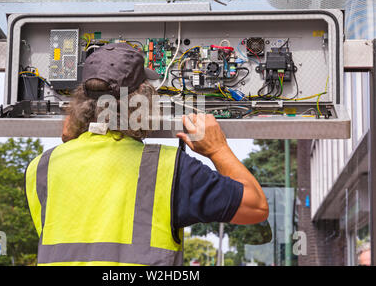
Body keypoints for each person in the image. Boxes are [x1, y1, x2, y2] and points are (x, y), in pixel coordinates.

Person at [25, 43, 269, 266]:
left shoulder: (42, 167)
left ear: (80, 102)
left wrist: (75, 134)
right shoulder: (168, 168)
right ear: (143, 100)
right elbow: (255, 207)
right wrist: (218, 149)